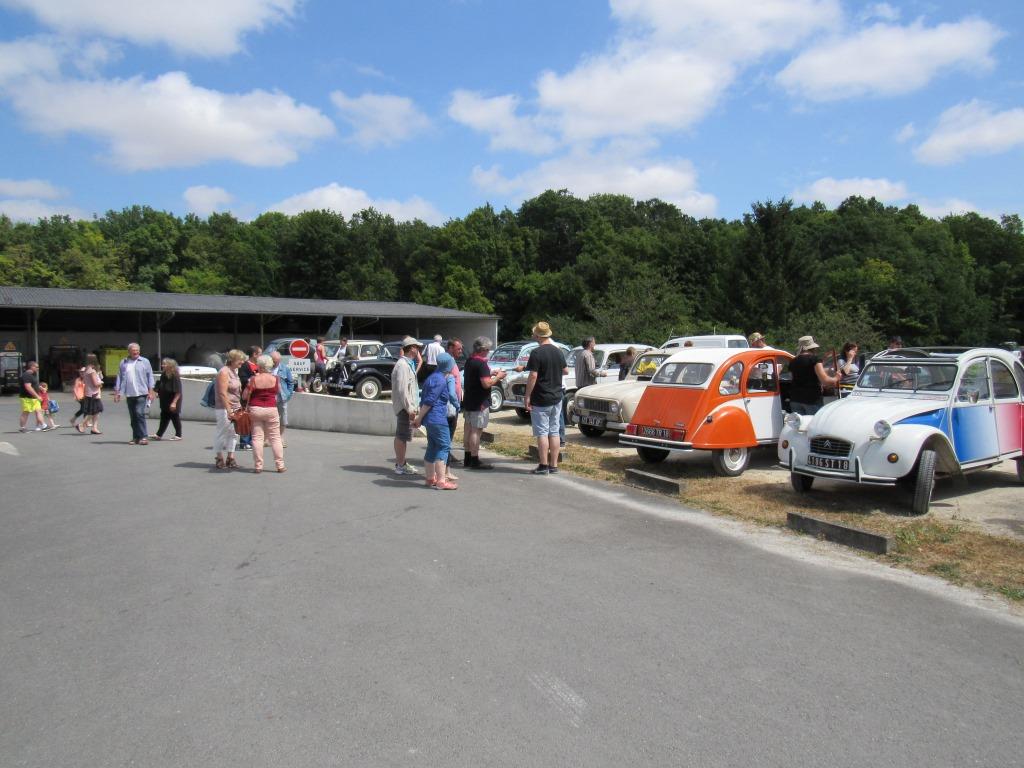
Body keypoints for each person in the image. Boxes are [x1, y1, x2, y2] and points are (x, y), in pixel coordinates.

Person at [524, 321, 568, 474]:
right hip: (557, 396)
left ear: (538, 335)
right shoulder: (558, 351)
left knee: (542, 432)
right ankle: (553, 465)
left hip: (542, 396)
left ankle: (543, 465)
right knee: (554, 431)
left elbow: (533, 375)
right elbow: (566, 370)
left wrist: (527, 395)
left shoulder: (537, 352)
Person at [412, 353, 457, 490]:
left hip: (430, 419)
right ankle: (441, 481)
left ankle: (430, 478)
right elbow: (429, 401)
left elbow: (424, 399)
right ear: (448, 365)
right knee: (444, 446)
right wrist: (418, 419)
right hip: (437, 418)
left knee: (432, 446)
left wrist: (421, 417)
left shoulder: (431, 378)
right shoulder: (441, 380)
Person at [462, 336, 506, 470]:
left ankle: (468, 457)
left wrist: (490, 372)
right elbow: (486, 384)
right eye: (487, 350)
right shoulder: (481, 363)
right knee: (476, 430)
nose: (488, 352)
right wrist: (498, 377)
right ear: (483, 349)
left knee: (468, 429)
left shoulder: (470, 360)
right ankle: (475, 459)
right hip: (479, 402)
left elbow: (478, 376)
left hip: (469, 400)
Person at [243, 354, 286, 473]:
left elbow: (245, 395)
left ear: (259, 366)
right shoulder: (275, 379)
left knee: (257, 438)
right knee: (275, 438)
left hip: (255, 408)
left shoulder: (253, 379)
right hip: (271, 409)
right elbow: (277, 392)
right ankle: (280, 465)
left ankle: (258, 466)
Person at [113, 342, 156, 445]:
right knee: (133, 417)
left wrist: (151, 390)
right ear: (129, 352)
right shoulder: (124, 362)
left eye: (137, 351)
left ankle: (144, 437)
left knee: (139, 413)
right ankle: (136, 437)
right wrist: (117, 392)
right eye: (133, 351)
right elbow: (120, 377)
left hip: (142, 392)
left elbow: (150, 376)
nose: (136, 352)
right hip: (129, 393)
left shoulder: (145, 361)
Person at [391, 336, 423, 475]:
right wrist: (409, 408)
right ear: (411, 348)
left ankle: (401, 462)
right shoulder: (403, 365)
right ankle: (400, 464)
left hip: (407, 406)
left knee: (403, 436)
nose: (418, 350)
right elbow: (402, 389)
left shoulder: (407, 363)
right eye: (417, 347)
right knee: (402, 436)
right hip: (404, 407)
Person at [788, 335, 841, 415]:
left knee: (799, 426)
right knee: (812, 424)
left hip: (795, 399)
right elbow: (825, 380)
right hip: (811, 399)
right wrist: (836, 378)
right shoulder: (814, 359)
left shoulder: (793, 361)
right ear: (813, 348)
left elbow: (792, 379)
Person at [213, 349, 246, 470]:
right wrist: (229, 410)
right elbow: (222, 393)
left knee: (233, 433)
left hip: (236, 406)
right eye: (240, 359)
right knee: (222, 432)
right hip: (224, 408)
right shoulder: (224, 372)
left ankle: (230, 457)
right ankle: (219, 457)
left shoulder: (234, 371)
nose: (242, 362)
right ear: (232, 360)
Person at [236, 346, 261, 450]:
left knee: (254, 421)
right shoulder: (245, 366)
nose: (261, 356)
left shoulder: (259, 365)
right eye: (260, 353)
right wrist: (253, 379)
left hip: (256, 397)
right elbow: (243, 379)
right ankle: (244, 442)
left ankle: (251, 441)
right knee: (245, 419)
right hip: (247, 397)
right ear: (254, 354)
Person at [445, 337, 464, 471]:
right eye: (458, 348)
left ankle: (447, 455)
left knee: (450, 430)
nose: (461, 351)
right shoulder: (447, 361)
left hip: (454, 401)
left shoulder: (452, 361)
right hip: (450, 403)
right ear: (451, 348)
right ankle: (445, 459)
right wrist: (456, 403)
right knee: (448, 430)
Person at [152, 358, 183, 440]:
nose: (162, 365)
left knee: (174, 417)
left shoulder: (175, 375)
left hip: (173, 399)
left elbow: (178, 391)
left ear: (170, 366)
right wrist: (157, 391)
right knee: (164, 417)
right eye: (163, 364)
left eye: (164, 364)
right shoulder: (164, 374)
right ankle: (159, 434)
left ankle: (178, 435)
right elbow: (161, 384)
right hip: (164, 400)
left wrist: (174, 403)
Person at [269, 350, 295, 446]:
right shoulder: (266, 368)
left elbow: (290, 382)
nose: (274, 362)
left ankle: (280, 437)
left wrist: (288, 394)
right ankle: (269, 438)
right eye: (272, 360)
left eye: (276, 360)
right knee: (270, 418)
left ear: (279, 360)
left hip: (282, 397)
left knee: (283, 418)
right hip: (269, 397)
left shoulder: (285, 369)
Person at [77, 354, 104, 434]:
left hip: (89, 392)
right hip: (94, 393)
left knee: (95, 411)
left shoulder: (86, 370)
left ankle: (94, 428)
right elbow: (95, 383)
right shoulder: (92, 371)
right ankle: (82, 425)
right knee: (97, 409)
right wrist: (101, 383)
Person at [18, 360, 46, 433]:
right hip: (27, 398)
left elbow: (33, 385)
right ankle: (22, 428)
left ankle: (44, 426)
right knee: (26, 412)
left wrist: (40, 387)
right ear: (32, 367)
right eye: (36, 367)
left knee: (38, 411)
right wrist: (37, 396)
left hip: (34, 398)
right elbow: (28, 387)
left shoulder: (32, 375)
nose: (38, 368)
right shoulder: (26, 375)